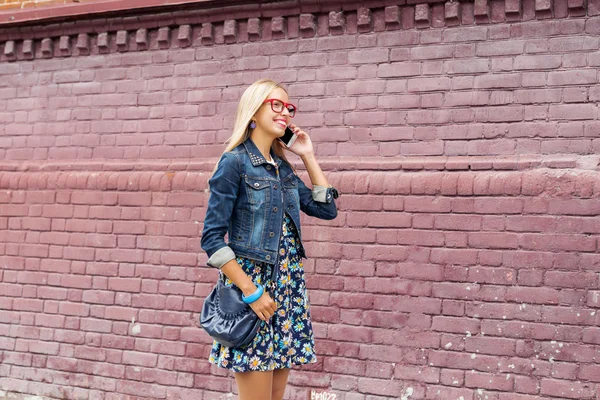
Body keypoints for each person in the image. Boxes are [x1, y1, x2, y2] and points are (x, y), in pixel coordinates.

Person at [200, 78, 339, 400]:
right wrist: (250, 291)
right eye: (276, 105)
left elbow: (326, 209)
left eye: (288, 107)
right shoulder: (234, 162)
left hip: (287, 288)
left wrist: (307, 155)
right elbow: (211, 238)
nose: (285, 113)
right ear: (253, 111)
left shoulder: (283, 169)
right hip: (255, 288)